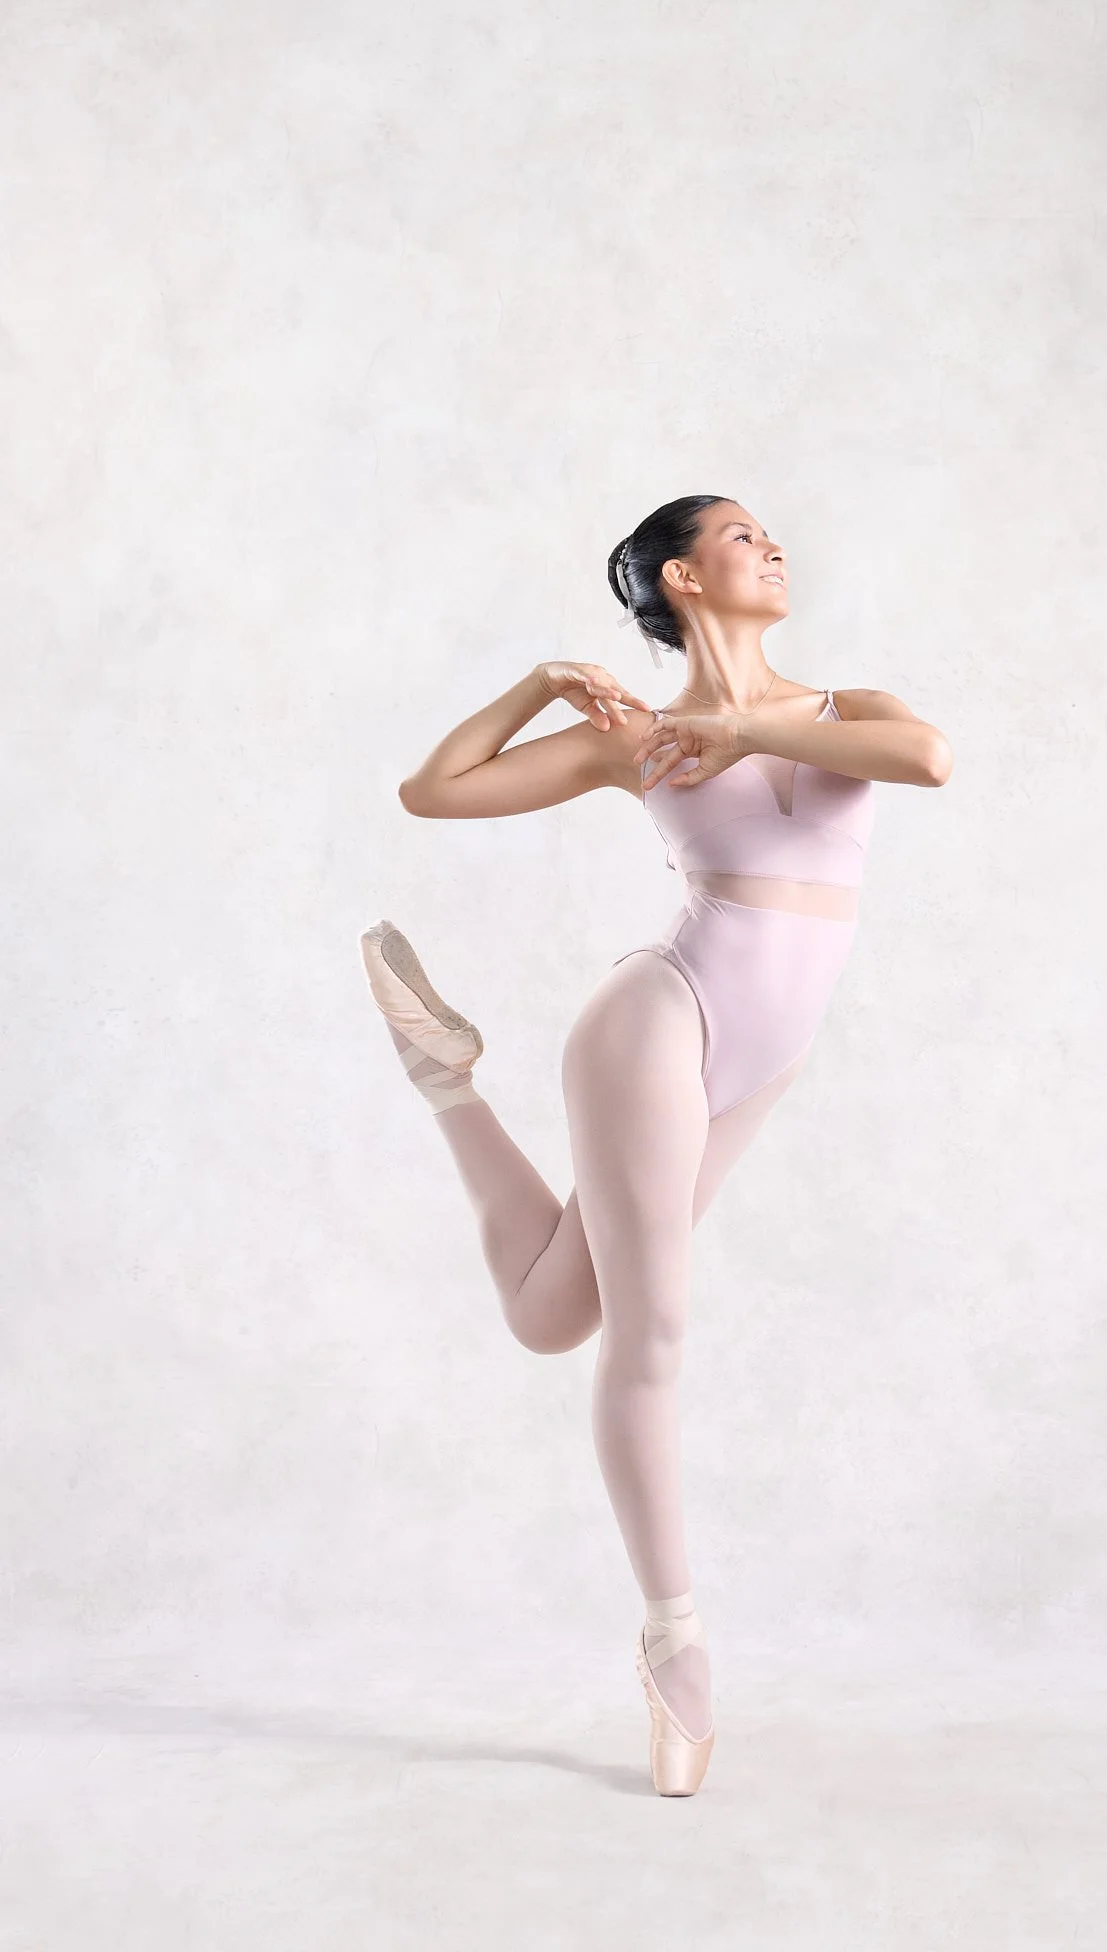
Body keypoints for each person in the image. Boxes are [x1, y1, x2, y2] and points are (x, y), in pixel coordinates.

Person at [358, 494, 952, 1795]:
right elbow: (432, 791)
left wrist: (744, 727)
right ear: (681, 576)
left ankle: (445, 1078)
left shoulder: (845, 709)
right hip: (661, 1020)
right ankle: (675, 1649)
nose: (774, 546)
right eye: (743, 535)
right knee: (654, 1334)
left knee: (550, 1316)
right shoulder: (638, 740)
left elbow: (929, 758)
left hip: (763, 1060)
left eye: (773, 535)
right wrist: (538, 686)